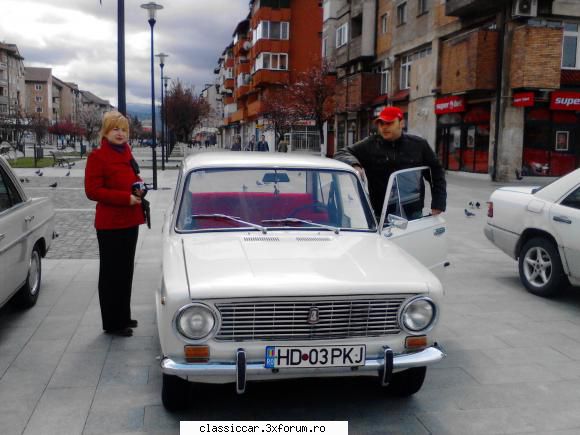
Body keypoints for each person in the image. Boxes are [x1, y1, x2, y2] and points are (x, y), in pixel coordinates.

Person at [85, 111, 146, 337]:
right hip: (110, 224)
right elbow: (92, 191)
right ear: (106, 131)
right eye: (115, 129)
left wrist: (138, 188)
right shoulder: (97, 157)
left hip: (130, 220)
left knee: (126, 270)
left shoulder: (127, 152)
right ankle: (112, 323)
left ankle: (123, 314)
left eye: (124, 130)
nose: (120, 134)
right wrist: (125, 198)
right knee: (111, 273)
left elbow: (129, 180)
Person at [335, 106, 446, 220]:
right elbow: (342, 153)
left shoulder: (418, 145)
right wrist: (355, 165)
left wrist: (438, 203)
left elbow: (436, 173)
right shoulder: (370, 145)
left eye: (389, 123)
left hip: (412, 211)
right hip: (381, 213)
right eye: (381, 124)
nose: (384, 127)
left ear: (401, 123)